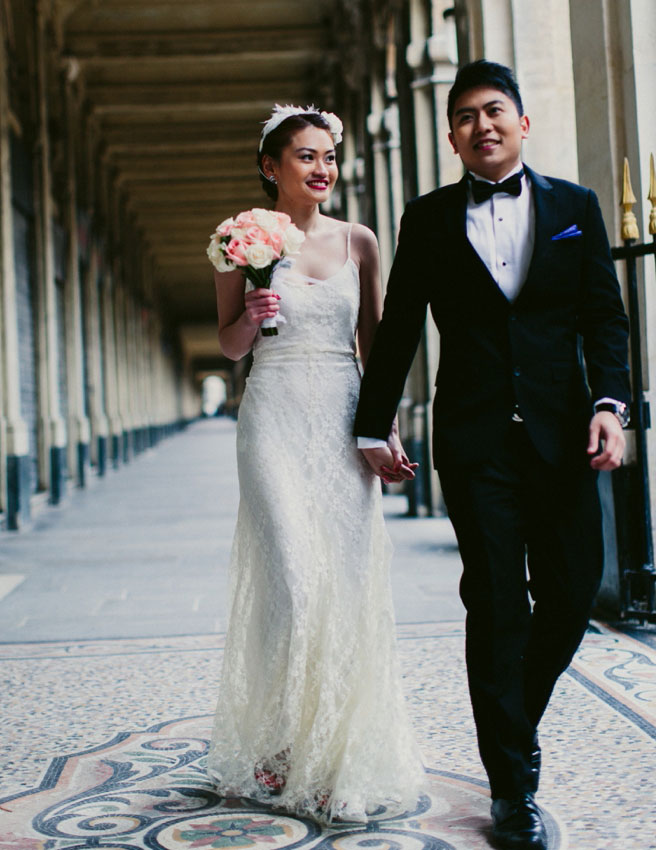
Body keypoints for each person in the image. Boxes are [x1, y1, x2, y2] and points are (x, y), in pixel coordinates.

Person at [354, 61, 631, 850]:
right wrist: (374, 428)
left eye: (496, 110)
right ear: (451, 136)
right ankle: (513, 789)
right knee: (499, 608)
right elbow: (401, 325)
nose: (483, 125)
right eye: (467, 115)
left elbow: (603, 322)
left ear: (522, 122)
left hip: (564, 435)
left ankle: (514, 717)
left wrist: (611, 405)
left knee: (574, 596)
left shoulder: (576, 207)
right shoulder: (429, 218)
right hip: (477, 446)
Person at [207, 105, 423, 824]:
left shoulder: (359, 240)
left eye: (328, 156)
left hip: (339, 417)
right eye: (305, 156)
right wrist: (252, 306)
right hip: (270, 414)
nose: (322, 168)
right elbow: (232, 347)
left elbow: (377, 348)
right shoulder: (240, 238)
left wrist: (381, 432)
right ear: (272, 166)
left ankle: (333, 750)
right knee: (294, 579)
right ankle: (281, 741)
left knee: (346, 583)